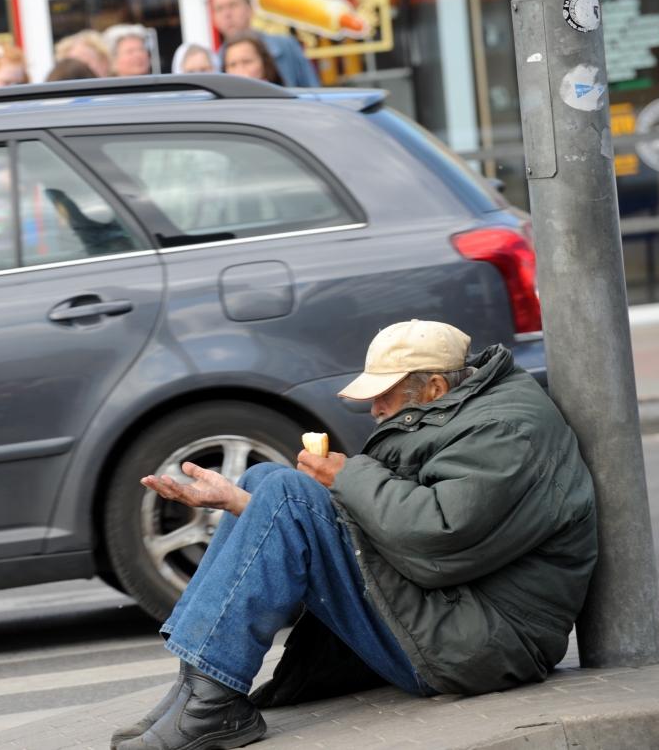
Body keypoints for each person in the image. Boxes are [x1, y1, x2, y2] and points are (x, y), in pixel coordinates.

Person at [112, 319, 598, 750]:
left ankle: (210, 700)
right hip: (454, 613)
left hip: (484, 642)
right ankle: (197, 687)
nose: (374, 408)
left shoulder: (507, 432)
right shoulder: (465, 412)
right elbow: (392, 530)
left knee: (286, 489)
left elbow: (435, 541)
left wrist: (347, 477)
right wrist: (240, 503)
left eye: (383, 395)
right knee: (265, 484)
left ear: (431, 387)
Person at [210, 0, 320, 87]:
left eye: (233, 5)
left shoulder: (286, 46)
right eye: (219, 9)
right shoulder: (215, 63)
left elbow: (313, 92)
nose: (227, 14)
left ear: (250, 9)